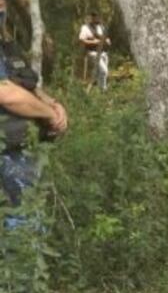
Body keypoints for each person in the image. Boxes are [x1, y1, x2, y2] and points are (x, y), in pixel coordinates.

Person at [0, 34, 68, 228]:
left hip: (22, 150)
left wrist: (52, 103)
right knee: (23, 222)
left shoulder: (7, 45)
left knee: (29, 216)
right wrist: (50, 114)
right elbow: (6, 94)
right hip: (7, 155)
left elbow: (25, 83)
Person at [78, 12, 110, 92]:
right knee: (104, 71)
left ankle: (98, 91)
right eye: (94, 17)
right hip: (93, 53)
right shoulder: (85, 28)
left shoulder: (101, 27)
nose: (96, 19)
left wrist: (107, 40)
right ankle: (103, 90)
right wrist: (94, 42)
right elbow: (82, 40)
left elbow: (104, 37)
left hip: (103, 52)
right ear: (91, 18)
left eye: (97, 17)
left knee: (101, 73)